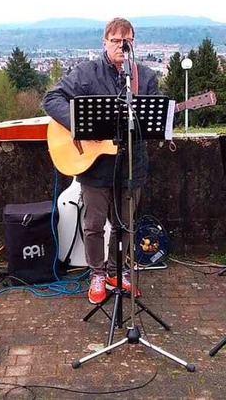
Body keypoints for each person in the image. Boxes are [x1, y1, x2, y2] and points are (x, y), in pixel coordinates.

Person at [43, 18, 160, 304]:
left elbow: (156, 115)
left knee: (126, 224)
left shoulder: (144, 77)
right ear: (104, 42)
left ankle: (117, 271)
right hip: (95, 167)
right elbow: (51, 98)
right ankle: (97, 273)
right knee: (94, 223)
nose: (122, 45)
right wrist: (80, 125)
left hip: (132, 164)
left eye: (127, 40)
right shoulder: (86, 73)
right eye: (116, 40)